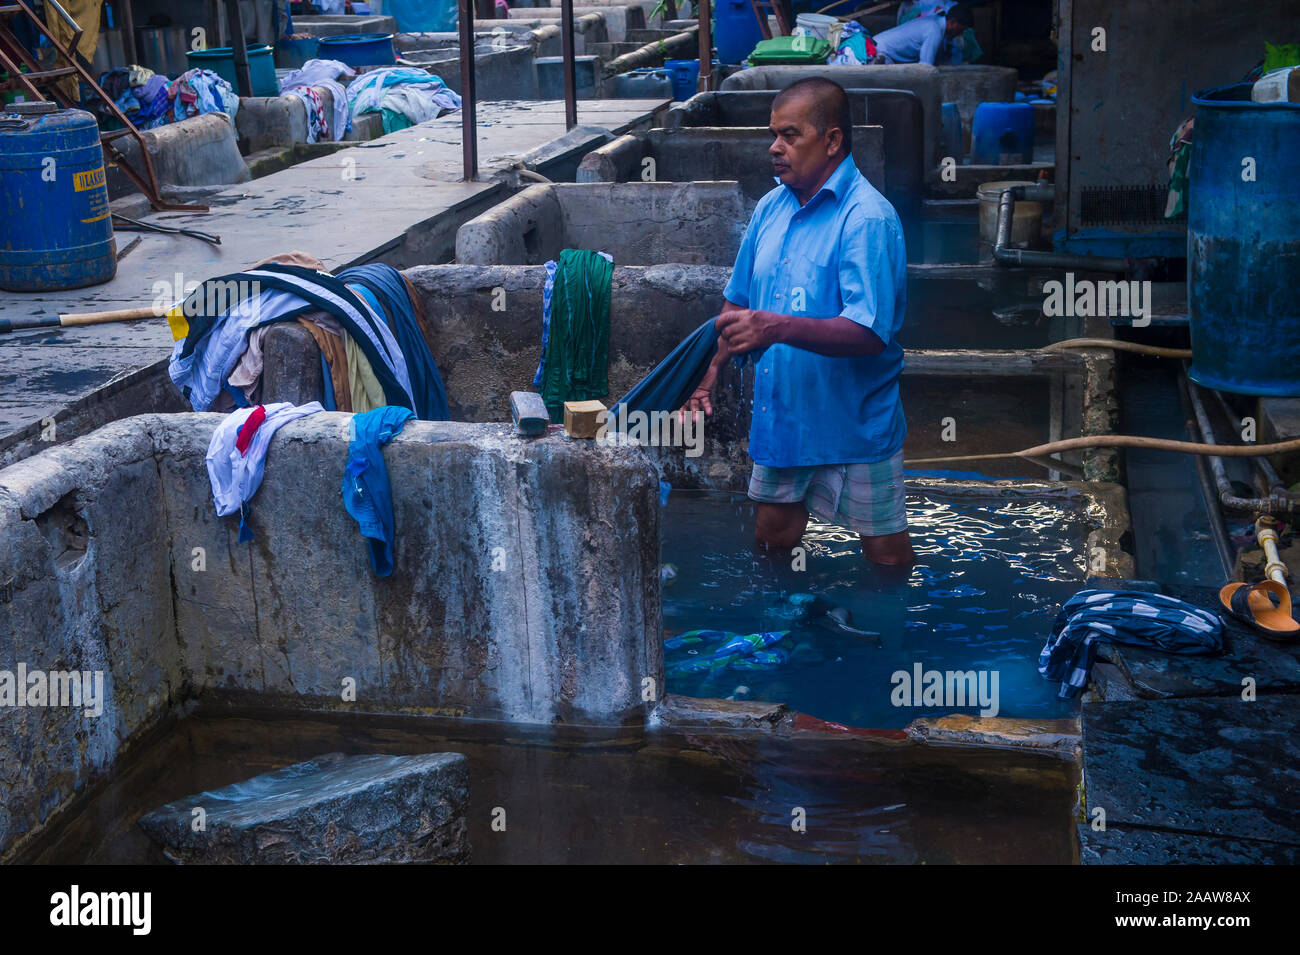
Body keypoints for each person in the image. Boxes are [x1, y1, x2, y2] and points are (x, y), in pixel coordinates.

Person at [681, 78, 914, 568]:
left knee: (886, 557)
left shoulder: (867, 219)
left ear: (831, 141)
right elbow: (737, 308)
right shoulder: (770, 208)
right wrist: (709, 373)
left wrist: (777, 328)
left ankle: (887, 640)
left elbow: (870, 334)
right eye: (774, 135)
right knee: (772, 540)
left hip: (854, 422)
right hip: (785, 417)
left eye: (790, 135)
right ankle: (784, 633)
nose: (775, 148)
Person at [871, 1, 974, 64]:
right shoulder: (934, 30)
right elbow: (926, 66)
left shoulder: (935, 22)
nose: (959, 34)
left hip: (880, 47)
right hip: (879, 52)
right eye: (961, 30)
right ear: (953, 23)